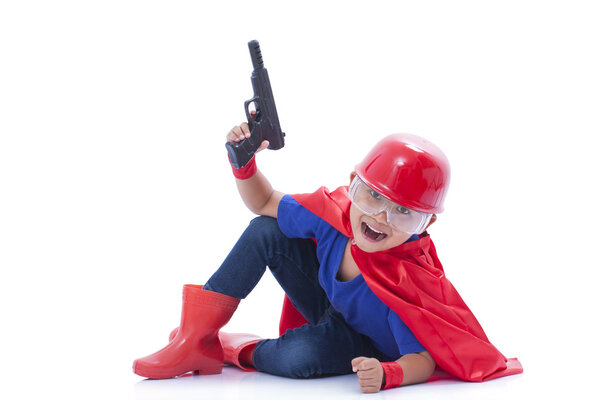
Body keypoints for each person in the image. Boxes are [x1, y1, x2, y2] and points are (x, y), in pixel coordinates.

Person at [133, 124, 521, 393]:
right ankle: (195, 338)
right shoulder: (333, 215)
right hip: (327, 306)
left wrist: (388, 373)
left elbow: (421, 356)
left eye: (405, 213)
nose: (379, 217)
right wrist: (243, 162)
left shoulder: (408, 281)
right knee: (265, 230)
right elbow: (264, 202)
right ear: (352, 183)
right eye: (372, 196)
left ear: (427, 224)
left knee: (299, 360)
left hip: (360, 344)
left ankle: (231, 349)